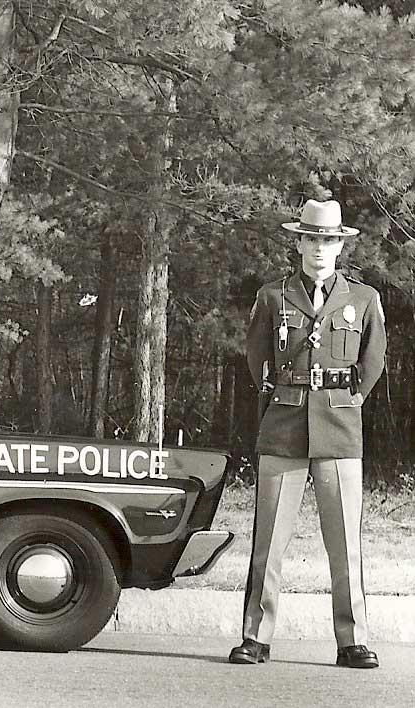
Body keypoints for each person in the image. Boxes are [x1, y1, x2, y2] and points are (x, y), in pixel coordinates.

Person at [229, 199, 386, 669]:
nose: (320, 249)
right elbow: (257, 353)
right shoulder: (271, 296)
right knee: (269, 541)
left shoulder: (363, 299)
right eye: (312, 239)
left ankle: (352, 639)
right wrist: (271, 394)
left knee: (345, 543)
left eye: (329, 240)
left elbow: (373, 358)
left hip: (339, 428)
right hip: (283, 426)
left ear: (341, 246)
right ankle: (256, 637)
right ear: (298, 242)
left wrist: (352, 400)